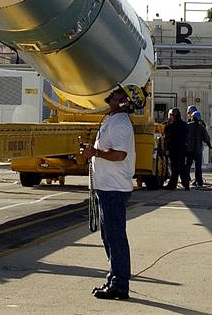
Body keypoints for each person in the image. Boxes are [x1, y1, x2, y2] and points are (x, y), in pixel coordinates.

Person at [79, 83, 144, 301]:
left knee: (115, 238)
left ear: (124, 102)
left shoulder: (120, 124)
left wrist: (94, 152)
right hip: (107, 187)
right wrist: (93, 151)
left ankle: (119, 285)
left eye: (118, 94)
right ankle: (114, 279)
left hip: (114, 189)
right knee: (109, 237)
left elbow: (119, 155)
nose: (112, 95)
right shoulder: (112, 121)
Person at [185, 106, 212, 187]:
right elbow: (206, 138)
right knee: (198, 167)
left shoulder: (187, 126)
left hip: (189, 149)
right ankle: (199, 182)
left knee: (187, 165)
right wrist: (210, 146)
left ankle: (186, 180)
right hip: (197, 150)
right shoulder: (201, 127)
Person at [163, 108, 189, 190]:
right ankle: (186, 184)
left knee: (175, 168)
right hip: (183, 148)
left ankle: (172, 185)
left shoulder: (170, 126)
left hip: (174, 149)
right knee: (182, 166)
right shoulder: (185, 125)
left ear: (172, 116)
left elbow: (167, 138)